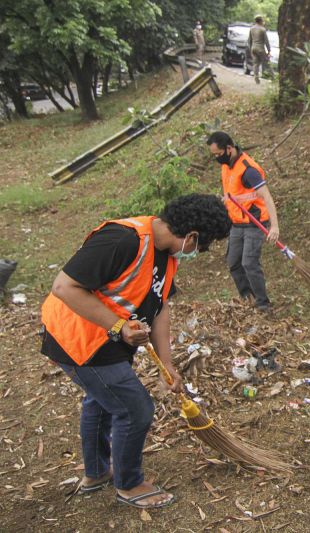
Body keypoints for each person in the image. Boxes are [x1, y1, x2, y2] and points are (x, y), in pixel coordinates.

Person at [40, 194, 231, 509]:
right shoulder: (121, 240)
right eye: (202, 245)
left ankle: (97, 473)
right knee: (135, 409)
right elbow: (63, 287)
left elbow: (160, 306)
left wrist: (166, 364)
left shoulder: (166, 255)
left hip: (108, 339)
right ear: (192, 236)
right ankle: (128, 485)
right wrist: (119, 325)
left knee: (101, 402)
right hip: (78, 339)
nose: (199, 252)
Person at [206, 131, 280, 313]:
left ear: (229, 148)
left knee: (249, 263)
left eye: (218, 154)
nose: (216, 158)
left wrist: (275, 226)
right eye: (213, 155)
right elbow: (234, 193)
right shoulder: (226, 166)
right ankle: (248, 299)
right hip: (237, 223)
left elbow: (267, 196)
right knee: (233, 262)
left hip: (254, 223)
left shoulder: (248, 170)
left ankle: (263, 305)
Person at [248, 15, 271, 84]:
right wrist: (269, 50)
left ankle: (256, 77)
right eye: (263, 20)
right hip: (260, 48)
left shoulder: (252, 28)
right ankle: (272, 77)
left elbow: (249, 40)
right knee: (267, 62)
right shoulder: (262, 29)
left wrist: (250, 48)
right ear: (261, 21)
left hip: (253, 48)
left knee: (255, 63)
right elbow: (266, 41)